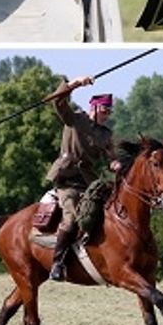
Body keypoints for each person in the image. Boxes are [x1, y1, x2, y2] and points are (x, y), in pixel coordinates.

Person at [45, 76, 118, 282]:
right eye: (105, 111)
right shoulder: (75, 119)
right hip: (67, 180)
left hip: (88, 182)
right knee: (70, 219)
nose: (107, 115)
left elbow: (110, 158)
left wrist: (116, 165)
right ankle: (57, 264)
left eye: (109, 112)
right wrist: (75, 84)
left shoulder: (105, 134)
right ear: (94, 107)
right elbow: (58, 102)